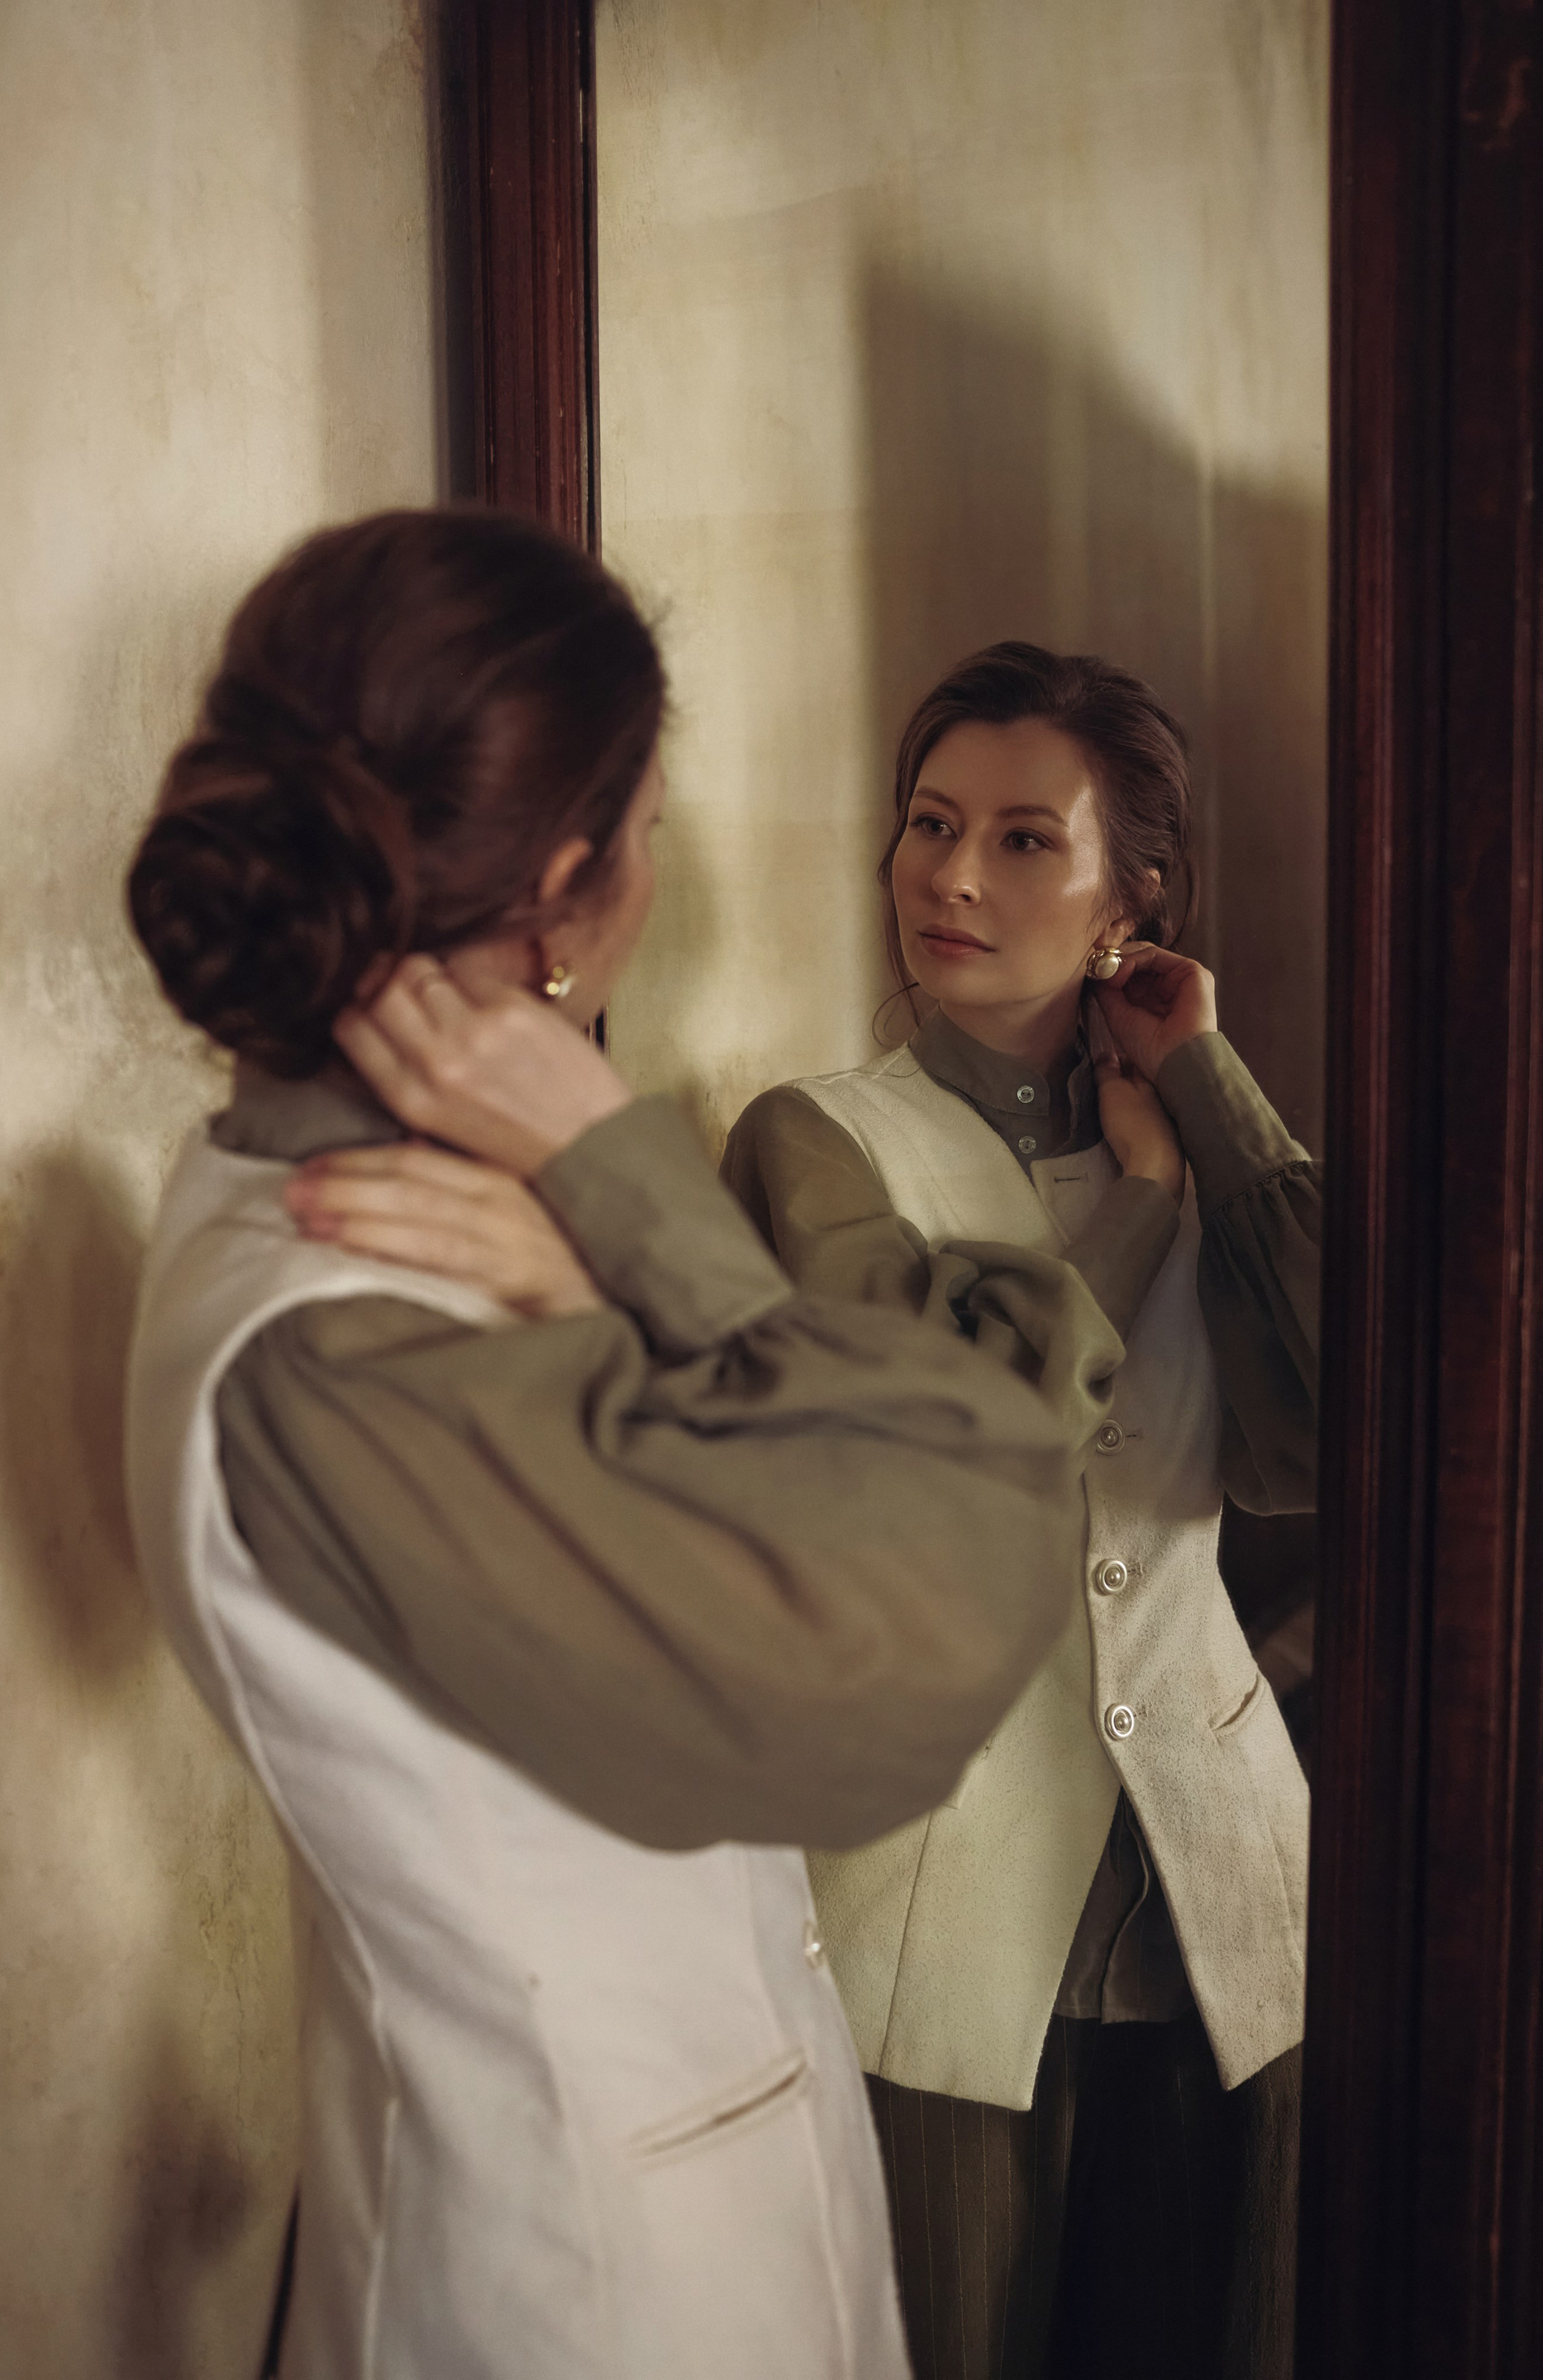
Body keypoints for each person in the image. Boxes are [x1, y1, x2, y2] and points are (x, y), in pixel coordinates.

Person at [121, 517, 1168, 2380]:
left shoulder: (398, 1223)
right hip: (579, 2278)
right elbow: (940, 1602)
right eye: (653, 831)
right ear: (564, 893)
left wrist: (607, 1254)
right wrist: (649, 1214)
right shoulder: (357, 1341)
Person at [719, 644, 1319, 2380]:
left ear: (1135, 899)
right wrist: (1133, 1211)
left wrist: (1208, 1087)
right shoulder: (816, 1146)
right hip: (940, 1924)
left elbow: (1343, 1424)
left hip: (1223, 1910)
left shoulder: (1208, 1148)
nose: (953, 877)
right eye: (930, 823)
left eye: (1022, 839)